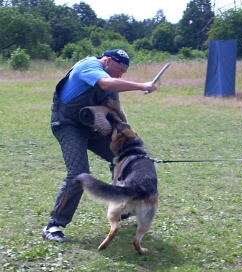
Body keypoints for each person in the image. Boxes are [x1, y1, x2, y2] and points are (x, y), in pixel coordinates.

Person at [42, 49, 158, 242]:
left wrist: (128, 133)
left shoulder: (112, 79)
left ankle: (124, 207)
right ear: (108, 61)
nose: (120, 74)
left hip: (93, 126)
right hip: (68, 125)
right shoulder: (90, 66)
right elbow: (105, 83)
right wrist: (141, 85)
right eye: (120, 69)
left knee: (125, 159)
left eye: (124, 72)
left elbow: (115, 109)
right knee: (77, 173)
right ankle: (53, 226)